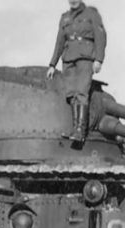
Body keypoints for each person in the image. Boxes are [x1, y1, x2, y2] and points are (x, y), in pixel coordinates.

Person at [46, 0, 107, 143]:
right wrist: (52, 64)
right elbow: (60, 41)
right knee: (71, 94)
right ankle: (75, 129)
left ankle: (80, 130)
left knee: (81, 92)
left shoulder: (92, 13)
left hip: (85, 58)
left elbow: (100, 37)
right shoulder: (65, 17)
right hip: (68, 59)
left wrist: (99, 59)